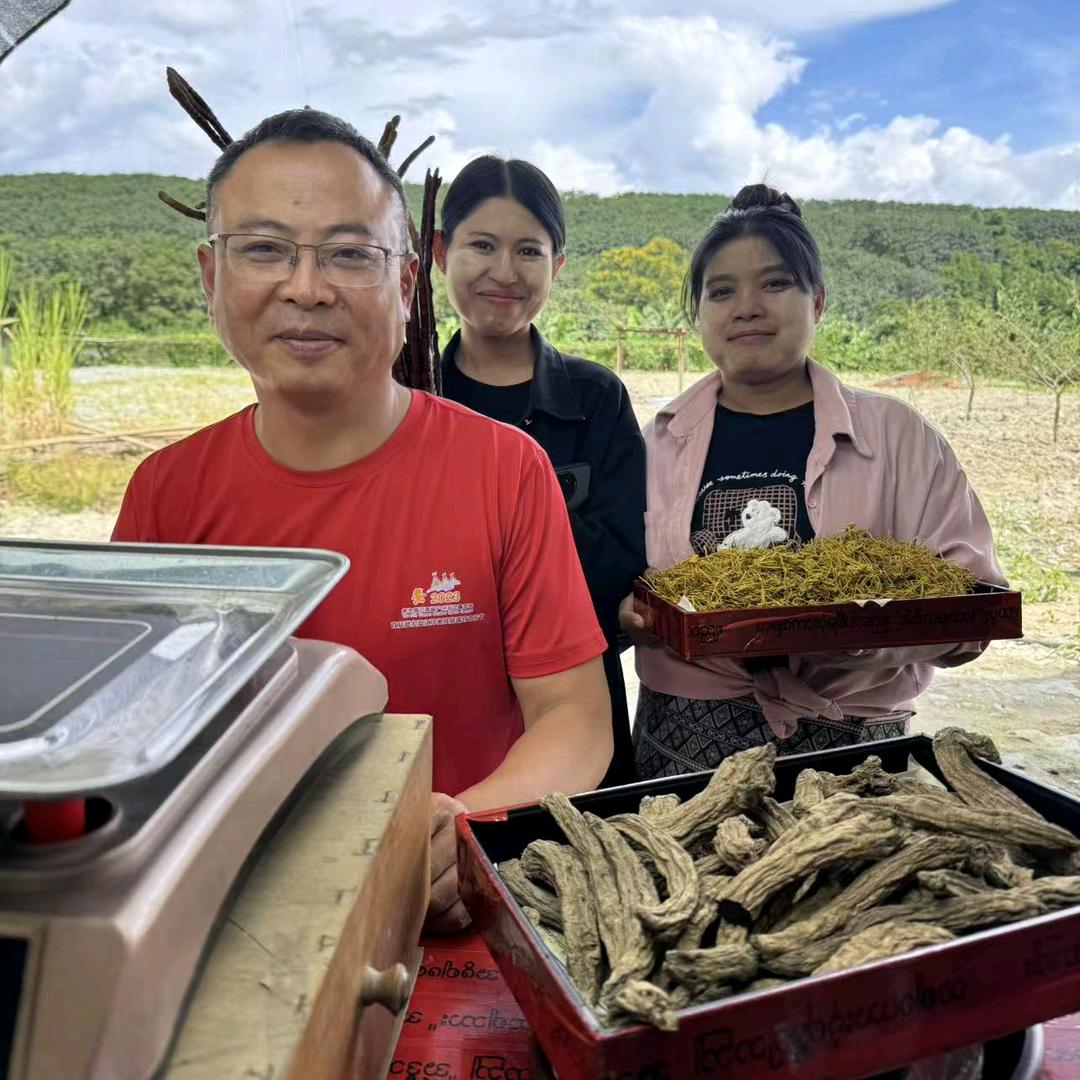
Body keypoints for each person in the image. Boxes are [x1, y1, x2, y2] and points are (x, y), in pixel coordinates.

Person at [111, 109, 613, 929]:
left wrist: (470, 831)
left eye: (350, 254)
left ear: (407, 284)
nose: (306, 288)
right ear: (210, 276)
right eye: (265, 249)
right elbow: (138, 745)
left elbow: (575, 716)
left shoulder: (503, 470)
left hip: (457, 914)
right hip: (238, 916)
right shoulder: (167, 496)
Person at [621, 183, 1005, 779]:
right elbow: (622, 582)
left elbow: (973, 610)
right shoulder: (656, 443)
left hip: (856, 744)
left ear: (818, 301)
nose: (746, 306)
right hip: (684, 740)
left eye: (775, 284)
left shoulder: (898, 436)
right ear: (697, 313)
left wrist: (856, 631)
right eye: (721, 291)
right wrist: (632, 613)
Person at [434, 155, 646, 786]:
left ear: (555, 266)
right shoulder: (399, 393)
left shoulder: (596, 397)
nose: (504, 271)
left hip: (575, 700)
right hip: (440, 699)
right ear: (441, 253)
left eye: (528, 250)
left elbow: (623, 555)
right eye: (481, 245)